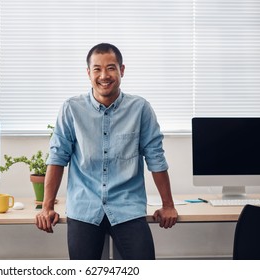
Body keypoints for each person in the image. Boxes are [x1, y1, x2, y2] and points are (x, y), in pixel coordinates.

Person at [35, 43, 178, 260]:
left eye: (111, 68)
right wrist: (46, 207)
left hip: (127, 206)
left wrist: (168, 206)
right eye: (97, 69)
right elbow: (57, 157)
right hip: (84, 207)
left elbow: (155, 157)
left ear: (122, 70)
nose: (104, 75)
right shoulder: (71, 108)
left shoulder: (140, 109)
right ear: (88, 73)